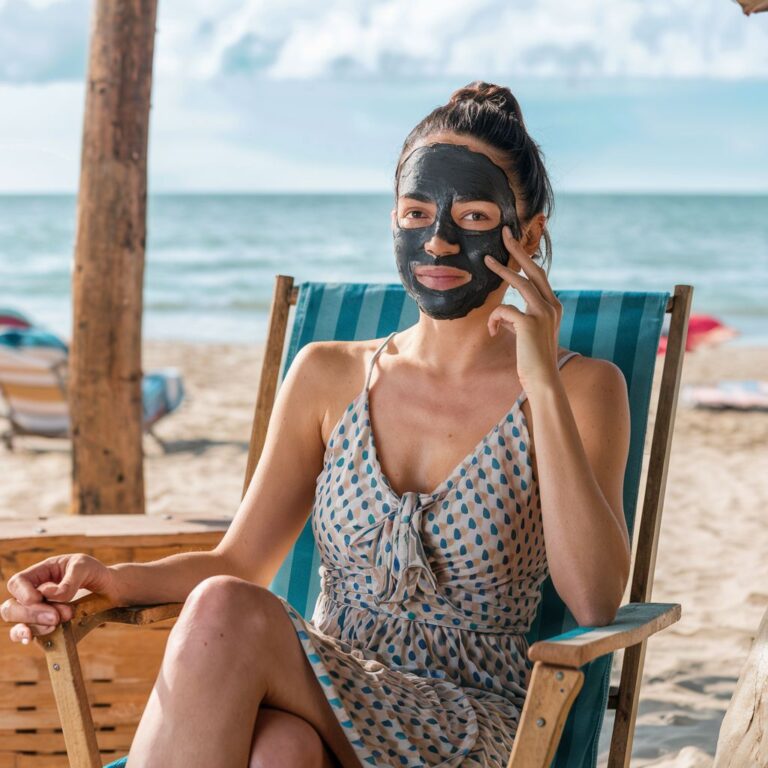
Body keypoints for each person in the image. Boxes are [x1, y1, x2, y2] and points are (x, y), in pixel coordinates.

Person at [2, 81, 631, 768]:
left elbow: (596, 599)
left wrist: (537, 378)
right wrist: (113, 578)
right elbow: (240, 561)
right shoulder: (326, 374)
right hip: (331, 690)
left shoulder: (581, 388)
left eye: (475, 216)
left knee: (225, 611)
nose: (439, 240)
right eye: (416, 211)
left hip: (471, 723)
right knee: (279, 751)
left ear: (529, 232)